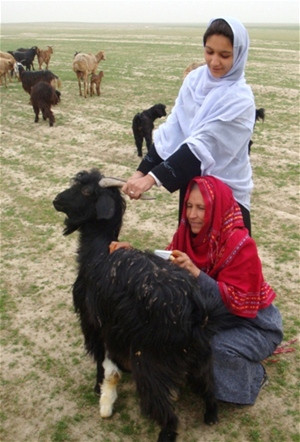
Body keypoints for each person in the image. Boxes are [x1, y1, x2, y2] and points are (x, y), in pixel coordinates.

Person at [111, 175, 283, 405]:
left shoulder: (241, 245)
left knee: (212, 347)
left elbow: (236, 305)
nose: (192, 215)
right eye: (189, 206)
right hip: (214, 317)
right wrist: (132, 253)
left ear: (216, 209)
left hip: (254, 325)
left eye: (201, 208)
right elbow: (164, 266)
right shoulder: (186, 235)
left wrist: (196, 273)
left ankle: (253, 377)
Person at [123, 16, 257, 234]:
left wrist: (152, 178)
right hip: (193, 193)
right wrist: (141, 172)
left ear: (239, 55)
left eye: (225, 55)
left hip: (226, 195)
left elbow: (204, 146)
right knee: (187, 263)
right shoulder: (194, 81)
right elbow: (173, 130)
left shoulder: (240, 100)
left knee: (226, 264)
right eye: (209, 52)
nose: (214, 62)